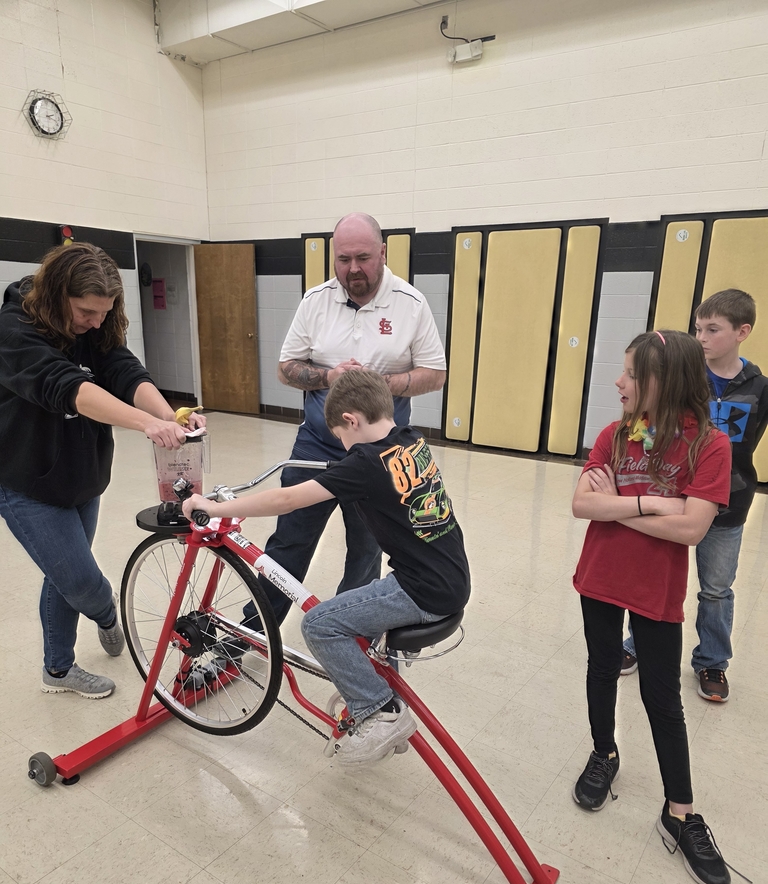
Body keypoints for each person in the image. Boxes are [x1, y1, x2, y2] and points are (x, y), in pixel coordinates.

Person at [185, 369, 470, 766]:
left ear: (351, 420)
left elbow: (286, 500)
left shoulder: (365, 463)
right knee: (356, 620)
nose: (343, 446)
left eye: (341, 437)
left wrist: (216, 508)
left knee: (319, 624)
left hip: (420, 590)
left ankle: (380, 709)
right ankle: (375, 689)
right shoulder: (411, 438)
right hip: (450, 578)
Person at [0, 242, 205, 699]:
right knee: (82, 583)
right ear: (56, 295)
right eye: (86, 311)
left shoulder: (98, 323)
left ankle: (57, 670)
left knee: (62, 576)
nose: (95, 321)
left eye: (103, 312)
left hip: (82, 475)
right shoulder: (13, 328)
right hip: (26, 480)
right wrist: (147, 425)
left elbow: (122, 369)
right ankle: (107, 613)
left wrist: (169, 415)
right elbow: (68, 387)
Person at [572, 330, 733, 884]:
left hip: (655, 591)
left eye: (633, 374)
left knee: (662, 697)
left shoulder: (708, 446)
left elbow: (691, 528)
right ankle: (604, 752)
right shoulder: (616, 435)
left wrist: (614, 506)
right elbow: (580, 504)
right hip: (600, 577)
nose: (620, 382)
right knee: (600, 669)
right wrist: (649, 503)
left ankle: (681, 810)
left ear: (668, 383)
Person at [253, 212, 446, 626]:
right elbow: (285, 368)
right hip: (317, 442)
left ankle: (356, 633)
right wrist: (328, 376)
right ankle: (253, 631)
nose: (353, 268)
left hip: (379, 451)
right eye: (343, 259)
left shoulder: (411, 304)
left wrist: (380, 385)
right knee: (289, 541)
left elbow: (436, 374)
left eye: (363, 257)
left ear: (382, 252)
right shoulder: (315, 301)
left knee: (367, 548)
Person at [620, 290, 768, 702]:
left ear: (742, 332)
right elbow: (646, 424)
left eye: (713, 330)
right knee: (653, 576)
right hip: (671, 497)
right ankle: (636, 643)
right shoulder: (684, 379)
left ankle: (712, 662)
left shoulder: (760, 387)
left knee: (716, 588)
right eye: (698, 328)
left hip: (729, 504)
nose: (702, 337)